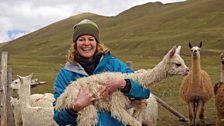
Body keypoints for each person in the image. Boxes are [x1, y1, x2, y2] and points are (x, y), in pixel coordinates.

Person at [53, 19, 150, 126]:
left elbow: (144, 92)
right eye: (81, 39)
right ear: (75, 44)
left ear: (97, 43)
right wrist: (76, 107)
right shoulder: (65, 74)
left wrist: (124, 84)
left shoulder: (114, 65)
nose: (86, 43)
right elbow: (59, 118)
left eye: (91, 39)